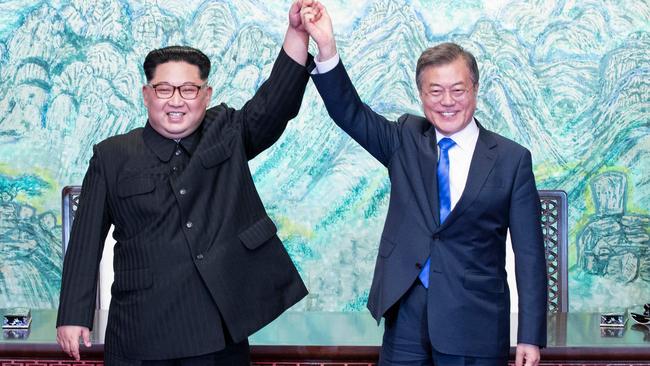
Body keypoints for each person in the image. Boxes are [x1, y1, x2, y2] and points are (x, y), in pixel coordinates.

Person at [56, 2, 313, 364]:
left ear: (205, 96)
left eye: (188, 90)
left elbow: (276, 102)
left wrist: (297, 33)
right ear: (146, 95)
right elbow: (85, 241)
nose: (176, 101)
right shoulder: (111, 155)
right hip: (139, 329)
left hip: (216, 329)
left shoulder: (227, 131)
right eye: (164, 90)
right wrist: (72, 315)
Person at [300, 2, 547, 365]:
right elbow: (348, 111)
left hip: (475, 325)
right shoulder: (405, 138)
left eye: (458, 90)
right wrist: (326, 48)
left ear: (475, 89)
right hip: (407, 319)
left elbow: (529, 254)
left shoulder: (512, 159)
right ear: (421, 94)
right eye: (435, 91)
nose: (447, 102)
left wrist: (529, 335)